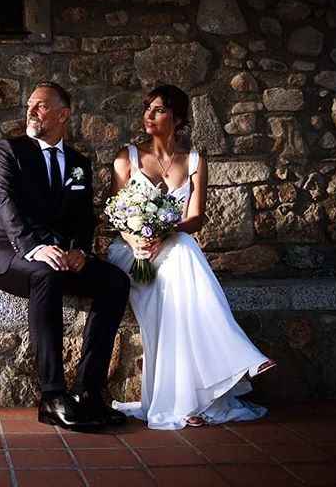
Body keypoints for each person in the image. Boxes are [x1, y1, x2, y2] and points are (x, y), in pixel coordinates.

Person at [106, 84, 276, 430]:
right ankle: (238, 357)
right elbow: (115, 213)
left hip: (171, 249)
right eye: (147, 109)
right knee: (184, 254)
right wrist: (138, 241)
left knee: (181, 260)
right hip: (130, 252)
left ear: (178, 118)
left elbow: (195, 217)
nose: (149, 116)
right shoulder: (127, 158)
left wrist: (162, 234)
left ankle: (187, 402)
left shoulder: (196, 161)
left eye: (159, 110)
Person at [0, 81, 130, 429]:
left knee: (115, 281)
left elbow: (83, 217)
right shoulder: (9, 150)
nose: (32, 111)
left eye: (41, 105)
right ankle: (52, 396)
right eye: (30, 104)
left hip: (59, 256)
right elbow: (5, 205)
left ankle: (89, 393)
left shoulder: (78, 163)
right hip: (7, 255)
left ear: (63, 114)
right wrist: (35, 248)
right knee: (46, 274)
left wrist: (79, 251)